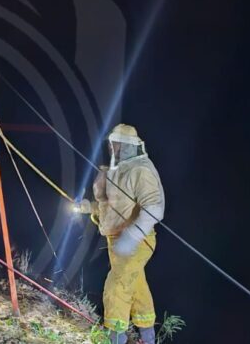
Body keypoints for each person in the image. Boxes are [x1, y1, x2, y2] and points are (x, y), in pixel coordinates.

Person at [76, 124, 165, 344]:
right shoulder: (115, 170)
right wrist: (89, 207)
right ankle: (148, 336)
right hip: (116, 239)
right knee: (134, 284)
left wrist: (132, 236)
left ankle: (115, 337)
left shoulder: (141, 170)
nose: (112, 147)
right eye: (111, 143)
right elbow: (112, 208)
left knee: (117, 284)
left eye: (116, 143)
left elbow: (154, 207)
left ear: (127, 146)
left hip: (139, 241)